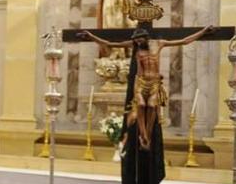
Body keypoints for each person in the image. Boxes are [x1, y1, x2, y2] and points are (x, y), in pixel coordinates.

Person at [79, 25, 213, 150]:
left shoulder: (158, 44)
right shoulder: (135, 46)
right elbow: (110, 44)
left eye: (139, 39)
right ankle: (143, 134)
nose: (137, 42)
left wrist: (202, 32)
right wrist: (92, 37)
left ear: (146, 38)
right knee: (142, 105)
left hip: (154, 82)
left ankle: (147, 135)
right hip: (141, 82)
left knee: (152, 105)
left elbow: (184, 41)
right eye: (135, 40)